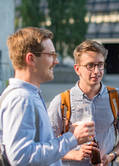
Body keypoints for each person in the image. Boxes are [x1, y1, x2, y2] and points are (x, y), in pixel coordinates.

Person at [0, 27, 95, 165]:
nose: (56, 61)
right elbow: (20, 157)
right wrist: (71, 138)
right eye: (51, 55)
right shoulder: (21, 98)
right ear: (31, 59)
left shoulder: (28, 95)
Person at [48, 40, 119, 166]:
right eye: (90, 66)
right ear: (77, 69)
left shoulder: (117, 98)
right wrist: (74, 155)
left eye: (100, 65)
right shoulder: (61, 102)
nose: (97, 71)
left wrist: (111, 156)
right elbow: (48, 145)